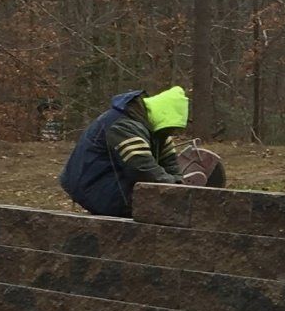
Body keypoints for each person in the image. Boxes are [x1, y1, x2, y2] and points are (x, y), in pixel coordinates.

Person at [58, 85, 220, 215]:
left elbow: (169, 163)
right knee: (158, 211)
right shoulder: (124, 126)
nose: (173, 133)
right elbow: (142, 169)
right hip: (97, 187)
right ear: (163, 117)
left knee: (168, 207)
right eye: (172, 128)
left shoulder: (156, 131)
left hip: (107, 184)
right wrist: (177, 185)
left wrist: (179, 183)